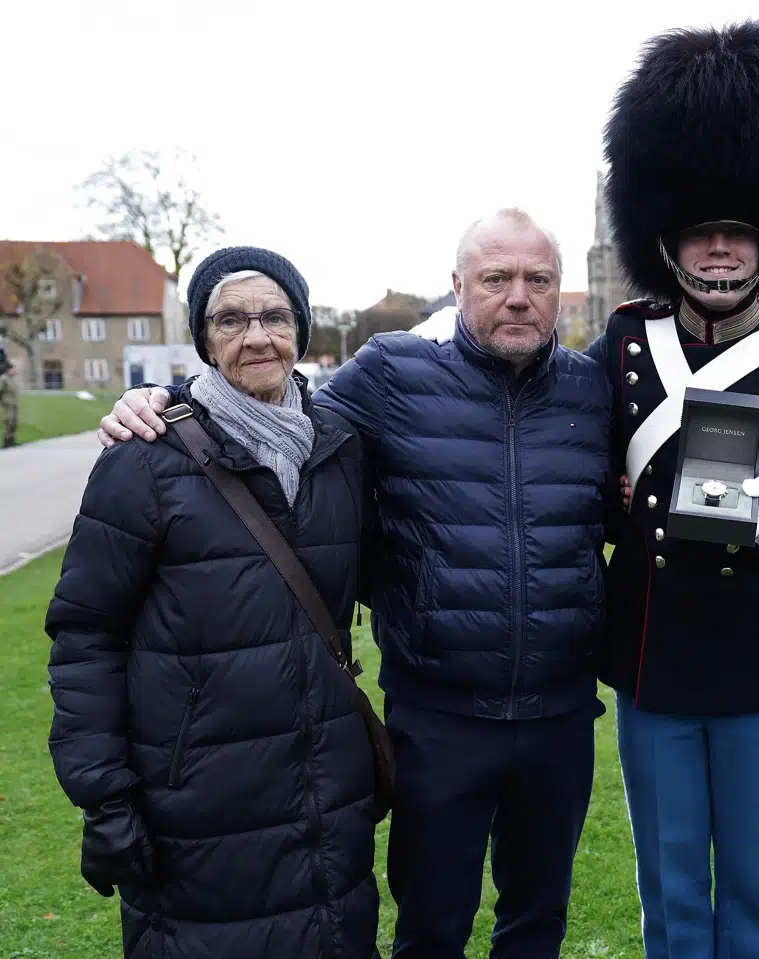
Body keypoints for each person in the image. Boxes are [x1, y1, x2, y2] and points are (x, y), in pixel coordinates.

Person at [98, 210, 612, 959]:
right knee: (432, 921)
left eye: (539, 280)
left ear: (561, 291)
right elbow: (261, 405)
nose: (519, 297)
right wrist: (162, 400)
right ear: (459, 286)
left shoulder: (591, 390)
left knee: (537, 920)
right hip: (439, 715)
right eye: (497, 279)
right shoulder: (393, 374)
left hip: (560, 716)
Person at [595, 20, 759, 959]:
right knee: (668, 881)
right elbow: (573, 468)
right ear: (666, 239)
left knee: (751, 883)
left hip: (757, 657)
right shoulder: (622, 344)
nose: (718, 251)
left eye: (737, 234)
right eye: (701, 231)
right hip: (654, 659)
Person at [48, 247, 380, 957]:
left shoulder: (340, 450)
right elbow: (85, 636)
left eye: (274, 316)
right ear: (203, 338)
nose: (256, 335)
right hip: (197, 807)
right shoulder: (146, 455)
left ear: (301, 329)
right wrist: (105, 796)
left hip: (325, 795)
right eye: (231, 319)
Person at [0, 338, 17, 447]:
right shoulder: (4, 378)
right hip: (7, 401)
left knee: (13, 421)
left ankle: (11, 439)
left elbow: (5, 361)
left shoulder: (2, 352)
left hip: (13, 401)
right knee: (9, 420)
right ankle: (7, 440)